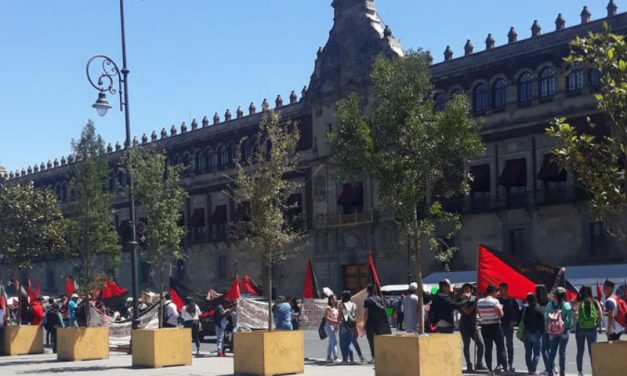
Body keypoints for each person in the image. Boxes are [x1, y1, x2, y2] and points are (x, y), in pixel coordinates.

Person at [477, 284, 507, 375]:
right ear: (493, 292)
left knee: (488, 348)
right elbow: (501, 315)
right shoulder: (495, 302)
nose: (498, 293)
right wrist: (501, 308)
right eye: (497, 292)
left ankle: (490, 370)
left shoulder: (479, 302)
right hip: (495, 326)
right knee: (501, 347)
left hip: (485, 326)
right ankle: (504, 368)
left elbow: (479, 314)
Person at [545, 287, 573, 376]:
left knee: (552, 351)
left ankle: (550, 371)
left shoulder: (549, 305)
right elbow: (570, 321)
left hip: (552, 331)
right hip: (563, 331)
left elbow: (546, 317)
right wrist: (565, 326)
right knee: (562, 352)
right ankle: (562, 373)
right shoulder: (567, 305)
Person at [575, 285, 602, 376]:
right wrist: (598, 322)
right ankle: (594, 371)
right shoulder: (594, 301)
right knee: (592, 351)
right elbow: (600, 314)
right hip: (592, 328)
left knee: (580, 350)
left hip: (581, 328)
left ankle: (580, 372)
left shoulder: (579, 301)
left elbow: (576, 313)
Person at [458, 283, 485, 372]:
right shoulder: (461, 299)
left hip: (474, 325)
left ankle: (479, 363)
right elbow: (467, 311)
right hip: (464, 325)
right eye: (466, 289)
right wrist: (469, 301)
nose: (468, 290)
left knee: (481, 345)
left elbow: (477, 310)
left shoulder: (474, 298)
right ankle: (469, 364)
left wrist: (481, 316)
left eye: (469, 289)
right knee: (467, 344)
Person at [363, 284, 391, 363]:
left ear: (368, 291)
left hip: (370, 323)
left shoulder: (367, 300)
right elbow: (388, 310)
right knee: (380, 340)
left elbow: (366, 313)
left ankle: (374, 357)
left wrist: (364, 324)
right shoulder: (381, 299)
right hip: (380, 323)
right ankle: (382, 356)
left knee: (371, 340)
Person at [498, 282, 521, 373]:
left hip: (509, 326)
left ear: (506, 290)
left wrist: (514, 321)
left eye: (502, 289)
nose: (500, 291)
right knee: (500, 346)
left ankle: (510, 363)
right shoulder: (498, 300)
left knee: (509, 346)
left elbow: (517, 312)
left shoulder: (512, 300)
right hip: (499, 326)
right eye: (499, 289)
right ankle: (500, 364)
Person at [521, 293, 544, 375]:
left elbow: (522, 320)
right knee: (537, 353)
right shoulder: (539, 309)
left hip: (527, 332)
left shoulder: (525, 309)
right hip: (536, 332)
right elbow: (542, 323)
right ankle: (533, 369)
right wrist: (542, 332)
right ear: (536, 300)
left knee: (528, 352)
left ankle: (529, 368)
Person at [338, 291, 357, 363]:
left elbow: (341, 315)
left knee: (343, 342)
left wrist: (339, 322)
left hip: (344, 325)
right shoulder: (354, 304)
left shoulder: (342, 305)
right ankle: (352, 358)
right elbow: (355, 315)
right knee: (350, 342)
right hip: (352, 325)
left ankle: (345, 358)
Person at [323, 294, 339, 363]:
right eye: (334, 299)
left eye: (336, 298)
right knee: (334, 341)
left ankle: (328, 357)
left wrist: (336, 325)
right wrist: (335, 322)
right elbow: (326, 318)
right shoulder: (328, 308)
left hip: (334, 326)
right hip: (328, 326)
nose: (336, 300)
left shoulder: (335, 308)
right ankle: (335, 357)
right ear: (331, 300)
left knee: (331, 342)